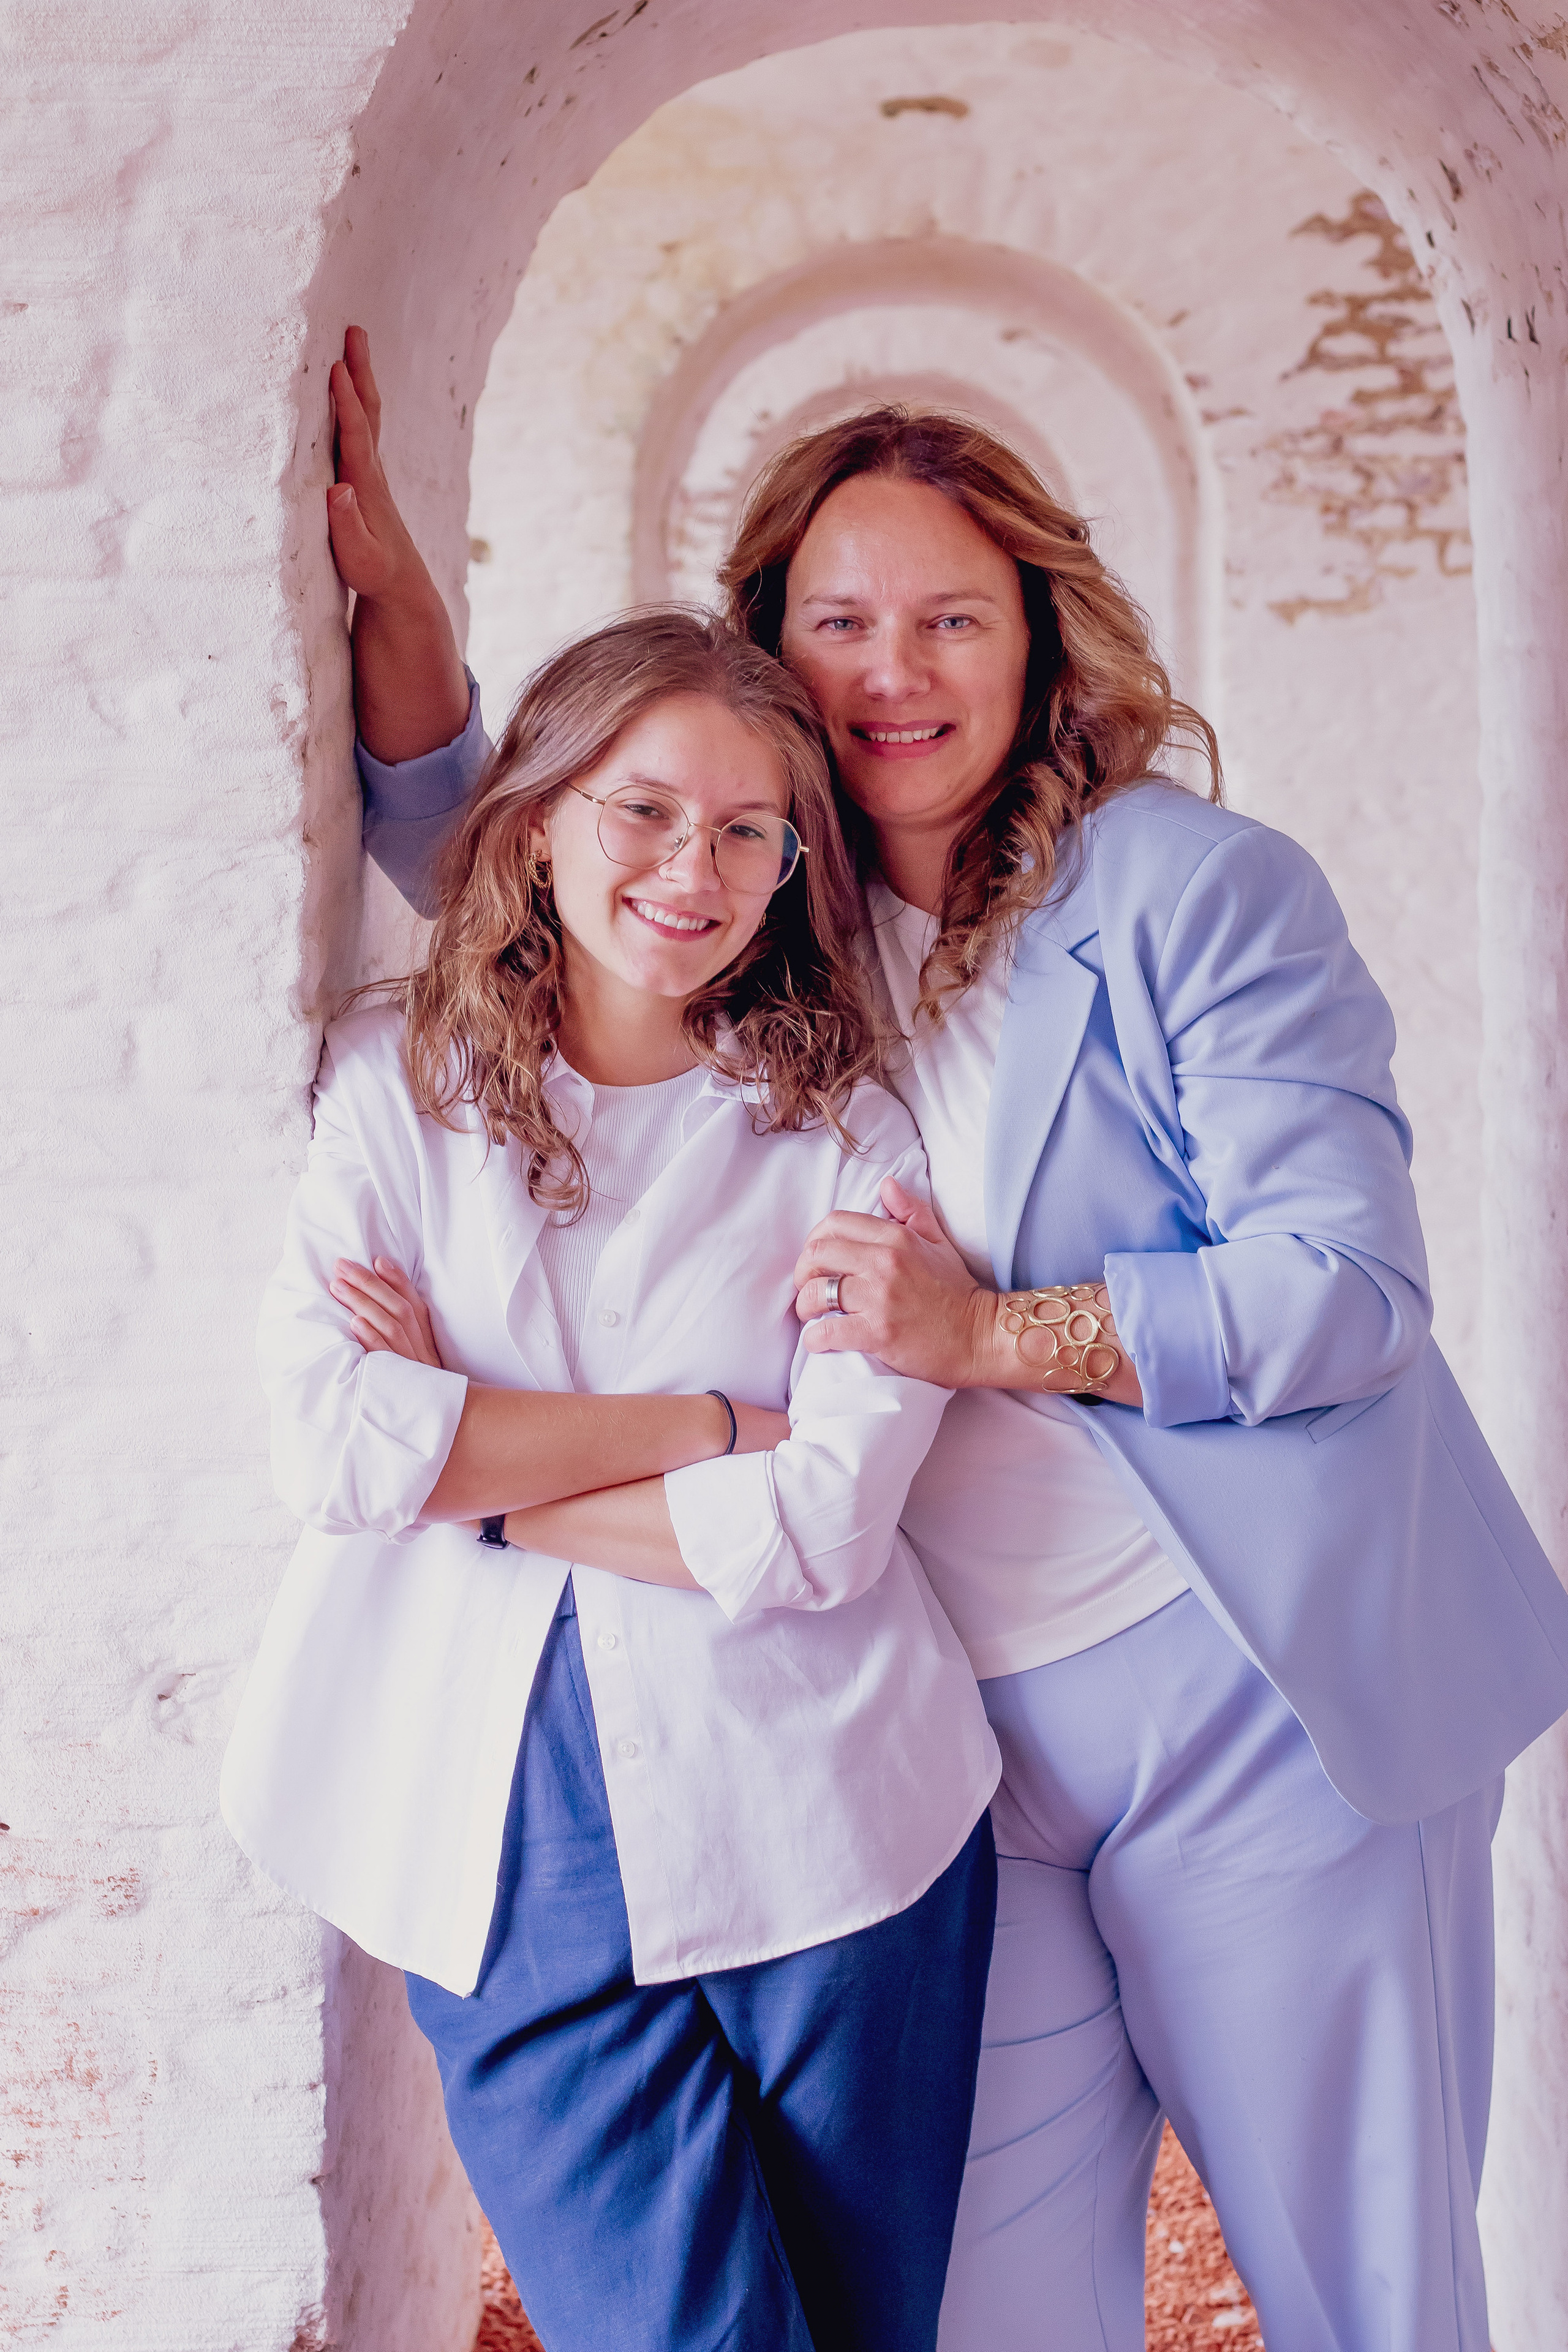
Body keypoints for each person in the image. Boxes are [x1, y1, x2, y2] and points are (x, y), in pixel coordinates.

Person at [328, 327, 1568, 2352]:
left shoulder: (1201, 893)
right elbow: (517, 835)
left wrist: (990, 1332)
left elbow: (1347, 1292)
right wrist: (393, 609)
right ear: (767, 659)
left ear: (1042, 638)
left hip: (1248, 1693)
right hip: (960, 1753)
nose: (891, 670)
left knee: (1363, 2301)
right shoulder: (765, 900)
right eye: (836, 622)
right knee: (991, 2315)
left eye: (946, 619)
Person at [221, 607, 1001, 2352]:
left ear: (796, 863)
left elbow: (820, 1528)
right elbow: (342, 1450)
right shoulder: (391, 1087)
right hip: (501, 1855)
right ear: (536, 822)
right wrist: (706, 1427)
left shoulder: (850, 1136)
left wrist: (477, 1465)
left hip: (845, 1830)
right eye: (643, 811)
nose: (691, 869)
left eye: (746, 830)